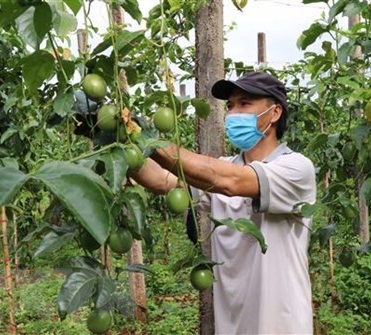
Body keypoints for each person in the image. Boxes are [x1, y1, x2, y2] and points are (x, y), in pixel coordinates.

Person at [132, 72, 316, 334]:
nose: (233, 113)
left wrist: (149, 140)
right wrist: (121, 140)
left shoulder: (296, 168)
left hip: (281, 325)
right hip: (232, 326)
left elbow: (231, 183)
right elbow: (161, 180)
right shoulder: (226, 166)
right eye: (230, 106)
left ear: (274, 113)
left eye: (245, 103)